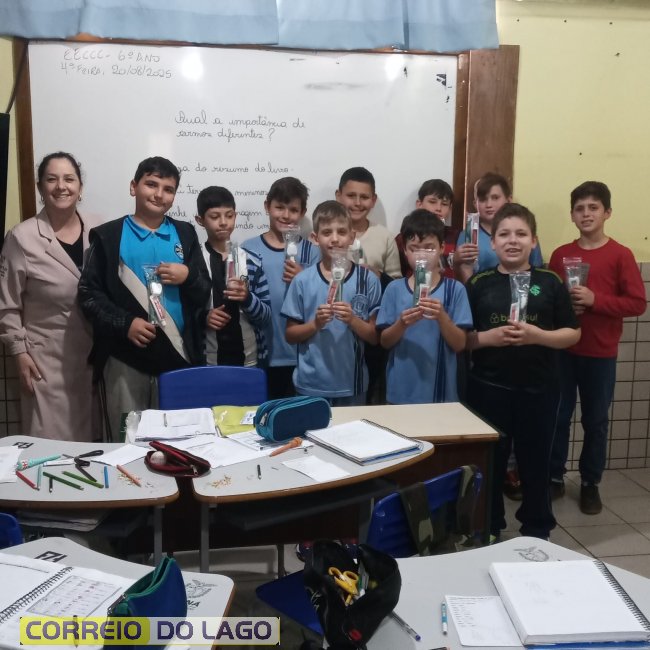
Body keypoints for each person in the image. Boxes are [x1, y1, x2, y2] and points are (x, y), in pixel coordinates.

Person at [465, 203, 580, 540]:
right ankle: (489, 526)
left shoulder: (550, 281)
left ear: (534, 240)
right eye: (504, 234)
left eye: (521, 234)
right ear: (493, 243)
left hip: (539, 389)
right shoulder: (479, 283)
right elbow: (462, 339)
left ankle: (537, 526)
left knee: (535, 462)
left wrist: (537, 336)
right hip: (489, 389)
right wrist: (488, 338)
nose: (512, 240)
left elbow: (573, 333)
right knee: (491, 462)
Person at [78, 156, 211, 439]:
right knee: (127, 440)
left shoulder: (185, 233)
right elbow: (88, 294)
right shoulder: (109, 236)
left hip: (178, 357)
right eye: (151, 184)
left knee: (178, 441)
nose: (159, 194)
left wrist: (188, 276)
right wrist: (125, 323)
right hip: (125, 359)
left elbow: (203, 290)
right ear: (133, 187)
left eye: (168, 189)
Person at [549, 181, 646, 514]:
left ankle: (590, 483)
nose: (586, 214)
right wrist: (564, 307)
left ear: (607, 213)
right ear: (572, 215)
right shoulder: (560, 254)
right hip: (563, 350)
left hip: (600, 353)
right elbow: (549, 298)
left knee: (596, 420)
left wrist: (596, 300)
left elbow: (637, 303)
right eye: (580, 208)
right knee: (558, 416)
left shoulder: (621, 255)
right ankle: (554, 476)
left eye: (593, 208)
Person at [0, 152, 99, 440]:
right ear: (40, 187)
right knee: (50, 445)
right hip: (45, 362)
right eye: (52, 179)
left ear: (80, 186)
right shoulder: (21, 237)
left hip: (95, 360)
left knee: (95, 444)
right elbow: (7, 304)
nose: (61, 186)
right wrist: (20, 353)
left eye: (69, 179)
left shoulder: (99, 229)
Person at [281, 200, 381, 406]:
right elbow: (290, 335)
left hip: (352, 384)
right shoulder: (302, 281)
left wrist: (353, 320)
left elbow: (374, 337)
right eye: (327, 233)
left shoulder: (368, 280)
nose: (335, 239)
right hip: (310, 384)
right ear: (315, 238)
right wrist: (315, 324)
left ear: (352, 237)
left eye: (342, 232)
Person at [377, 209, 472, 404]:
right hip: (400, 390)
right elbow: (384, 342)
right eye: (414, 248)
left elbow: (460, 344)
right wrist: (401, 323)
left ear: (442, 248)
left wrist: (442, 317)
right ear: (405, 250)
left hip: (441, 393)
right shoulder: (394, 289)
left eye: (429, 248)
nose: (422, 256)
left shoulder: (455, 290)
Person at [242, 177, 319, 398]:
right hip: (263, 352)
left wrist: (304, 278)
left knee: (300, 413)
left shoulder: (312, 252)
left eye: (293, 210)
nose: (286, 215)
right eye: (279, 207)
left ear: (302, 212)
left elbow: (322, 300)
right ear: (267, 206)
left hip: (303, 355)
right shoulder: (249, 249)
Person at [335, 167, 400, 404]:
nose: (357, 202)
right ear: (338, 196)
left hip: (371, 330)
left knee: (367, 393)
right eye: (351, 195)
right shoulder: (326, 234)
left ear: (373, 200)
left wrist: (379, 275)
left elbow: (397, 285)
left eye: (364, 197)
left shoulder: (384, 237)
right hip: (333, 329)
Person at [195, 186, 271, 367]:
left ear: (235, 216)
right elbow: (184, 312)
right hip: (207, 362)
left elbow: (266, 316)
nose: (223, 222)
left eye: (229, 216)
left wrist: (247, 298)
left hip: (250, 361)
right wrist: (204, 317)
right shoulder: (194, 262)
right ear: (200, 220)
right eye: (215, 217)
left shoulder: (252, 261)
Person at [454, 172, 544, 284]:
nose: (489, 205)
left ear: (509, 200)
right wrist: (456, 261)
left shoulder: (525, 233)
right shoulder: (468, 235)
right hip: (483, 291)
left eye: (495, 198)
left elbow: (538, 271)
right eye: (483, 199)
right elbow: (464, 276)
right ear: (475, 204)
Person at [395, 179, 458, 279]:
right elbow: (398, 274)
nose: (438, 208)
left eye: (444, 204)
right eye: (432, 202)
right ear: (419, 204)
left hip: (448, 287)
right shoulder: (405, 237)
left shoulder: (456, 236)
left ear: (450, 209)